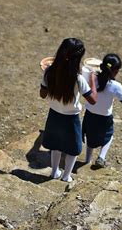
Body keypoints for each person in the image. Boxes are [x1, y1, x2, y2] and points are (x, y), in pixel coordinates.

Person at [40, 38, 97, 182]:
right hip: (71, 118)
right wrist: (92, 81)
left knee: (56, 145)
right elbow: (92, 100)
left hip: (54, 114)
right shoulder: (78, 79)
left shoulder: (49, 71)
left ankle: (54, 172)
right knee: (73, 148)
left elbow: (42, 94)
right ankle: (66, 176)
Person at [82, 53, 122, 168]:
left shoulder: (91, 78)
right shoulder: (116, 86)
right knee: (109, 135)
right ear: (116, 71)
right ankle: (101, 157)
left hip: (90, 115)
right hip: (104, 118)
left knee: (90, 136)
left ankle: (87, 160)